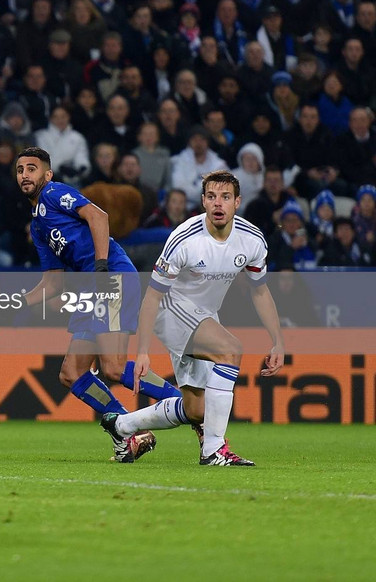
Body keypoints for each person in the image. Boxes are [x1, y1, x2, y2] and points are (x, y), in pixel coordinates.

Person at [105, 170, 284, 466]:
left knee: (196, 410)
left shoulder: (252, 240)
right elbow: (152, 295)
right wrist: (143, 351)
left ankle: (122, 426)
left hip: (204, 316)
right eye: (212, 196)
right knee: (231, 350)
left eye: (225, 197)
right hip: (170, 308)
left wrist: (278, 341)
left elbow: (260, 292)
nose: (218, 203)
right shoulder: (184, 239)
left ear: (237, 202)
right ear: (203, 201)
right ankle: (214, 450)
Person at [16, 146, 182, 462]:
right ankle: (128, 432)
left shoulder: (54, 194)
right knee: (72, 373)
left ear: (47, 174)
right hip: (91, 288)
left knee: (114, 366)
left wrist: (102, 266)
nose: (25, 174)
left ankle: (183, 403)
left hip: (111, 277)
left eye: (32, 168)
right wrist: (17, 303)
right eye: (20, 169)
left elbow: (98, 215)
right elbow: (54, 282)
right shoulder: (38, 226)